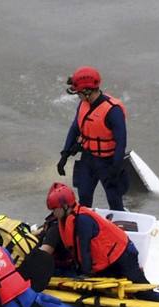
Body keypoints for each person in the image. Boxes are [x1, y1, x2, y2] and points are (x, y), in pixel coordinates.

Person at [41, 183, 159, 307]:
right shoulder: (67, 218)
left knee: (144, 294)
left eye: (54, 209)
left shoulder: (82, 221)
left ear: (64, 206)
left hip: (124, 256)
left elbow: (84, 252)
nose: (53, 213)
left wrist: (84, 276)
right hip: (108, 260)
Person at [56, 67, 128, 211]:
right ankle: (84, 228)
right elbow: (74, 128)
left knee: (114, 201)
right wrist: (64, 155)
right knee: (84, 198)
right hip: (88, 158)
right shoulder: (83, 104)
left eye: (79, 93)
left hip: (108, 162)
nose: (77, 96)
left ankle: (120, 229)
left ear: (87, 91)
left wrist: (116, 168)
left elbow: (121, 142)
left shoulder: (113, 111)